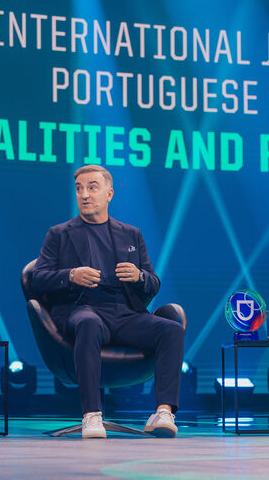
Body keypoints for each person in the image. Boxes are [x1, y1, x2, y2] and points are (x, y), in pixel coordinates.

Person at [30, 165, 184, 438]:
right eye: (79, 189)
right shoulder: (59, 234)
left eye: (92, 187)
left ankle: (163, 412)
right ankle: (92, 415)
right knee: (88, 323)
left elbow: (154, 282)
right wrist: (71, 275)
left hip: (124, 313)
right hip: (82, 309)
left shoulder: (131, 234)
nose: (84, 195)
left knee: (171, 330)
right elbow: (37, 279)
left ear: (109, 193)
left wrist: (139, 277)